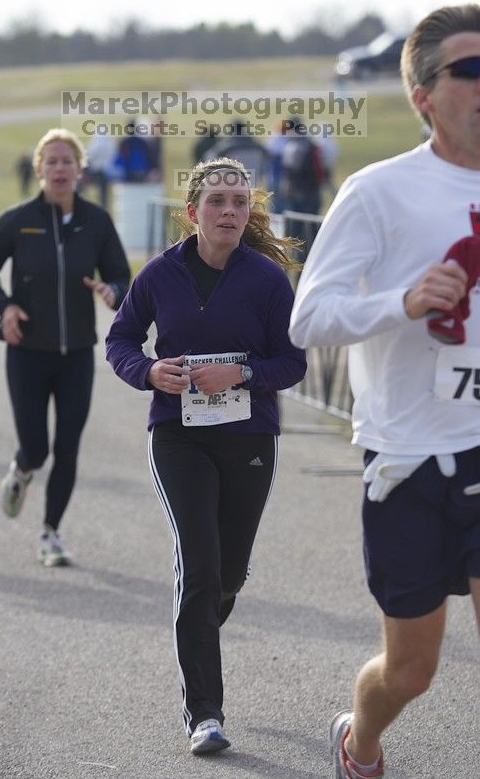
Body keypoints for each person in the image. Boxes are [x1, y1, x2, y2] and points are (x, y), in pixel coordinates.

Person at [289, 4, 480, 779]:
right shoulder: (378, 191)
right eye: (469, 69)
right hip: (407, 457)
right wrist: (397, 301)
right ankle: (358, 742)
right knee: (410, 672)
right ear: (422, 94)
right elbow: (308, 320)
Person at [105, 157, 307, 755]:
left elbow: (292, 362)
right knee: (199, 566)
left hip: (249, 438)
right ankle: (205, 714)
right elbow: (120, 339)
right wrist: (148, 372)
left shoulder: (267, 280)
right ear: (193, 213)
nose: (229, 212)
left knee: (228, 574)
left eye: (239, 203)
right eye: (217, 201)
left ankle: (199, 628)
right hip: (178, 436)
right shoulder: (160, 275)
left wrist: (239, 372)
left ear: (250, 213)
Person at [0, 128, 131, 567]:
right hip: (27, 352)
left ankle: (50, 533)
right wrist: (4, 309)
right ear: (39, 168)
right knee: (37, 447)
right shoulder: (17, 219)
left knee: (68, 446)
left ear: (80, 170)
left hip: (77, 352)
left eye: (68, 162)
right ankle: (22, 470)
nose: (60, 169)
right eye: (52, 162)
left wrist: (111, 291)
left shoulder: (96, 221)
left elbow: (121, 275)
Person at [205, 119, 270, 186]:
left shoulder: (228, 142)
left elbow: (211, 155)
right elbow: (267, 154)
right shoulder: (253, 142)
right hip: (253, 180)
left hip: (234, 182)